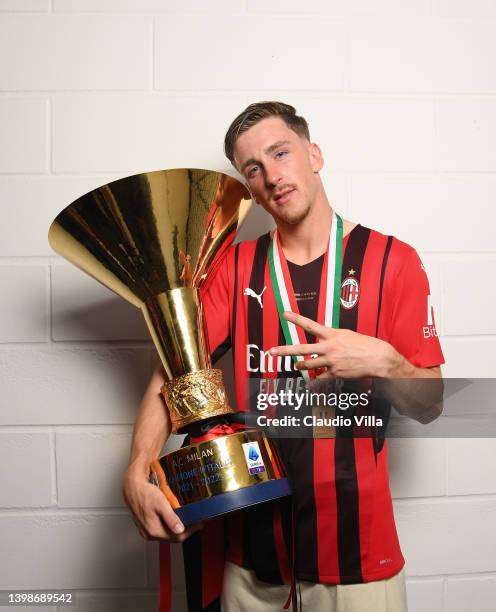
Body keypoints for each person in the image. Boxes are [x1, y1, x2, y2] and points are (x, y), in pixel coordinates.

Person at [122, 101, 444, 612]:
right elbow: (175, 371)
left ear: (313, 155)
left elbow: (430, 403)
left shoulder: (393, 261)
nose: (272, 175)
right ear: (248, 187)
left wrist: (384, 362)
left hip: (358, 557)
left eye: (281, 153)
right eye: (254, 168)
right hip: (251, 557)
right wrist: (137, 468)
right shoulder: (235, 267)